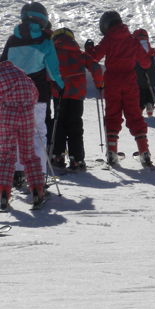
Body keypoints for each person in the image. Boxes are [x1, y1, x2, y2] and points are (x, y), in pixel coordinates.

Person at [0, 2, 64, 187]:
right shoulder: (45, 40)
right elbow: (53, 71)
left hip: (11, 99)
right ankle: (38, 180)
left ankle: (18, 174)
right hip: (37, 96)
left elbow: (3, 67)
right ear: (43, 19)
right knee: (38, 136)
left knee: (17, 135)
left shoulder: (12, 40)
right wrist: (60, 86)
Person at [85, 11, 154, 168]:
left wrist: (89, 48)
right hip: (130, 82)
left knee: (112, 115)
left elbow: (95, 56)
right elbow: (145, 63)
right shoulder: (132, 40)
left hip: (112, 82)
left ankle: (112, 152)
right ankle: (144, 153)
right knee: (134, 115)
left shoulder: (108, 39)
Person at [50, 27, 104, 171]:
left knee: (59, 123)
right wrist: (99, 84)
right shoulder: (80, 53)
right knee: (75, 125)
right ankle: (77, 159)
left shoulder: (52, 53)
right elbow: (96, 68)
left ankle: (57, 156)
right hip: (76, 94)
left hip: (59, 93)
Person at [0, 61, 46, 210]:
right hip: (26, 117)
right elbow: (35, 95)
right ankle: (37, 190)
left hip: (8, 117)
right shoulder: (22, 74)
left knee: (6, 155)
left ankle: (3, 192)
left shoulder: (1, 75)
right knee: (28, 155)